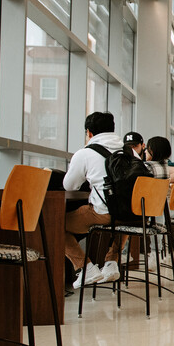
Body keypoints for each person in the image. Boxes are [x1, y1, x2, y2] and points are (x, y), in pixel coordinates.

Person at [62, 112, 122, 286]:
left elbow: (69, 186)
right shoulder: (130, 152)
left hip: (103, 214)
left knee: (55, 223)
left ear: (89, 133)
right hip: (134, 215)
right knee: (125, 216)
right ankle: (111, 262)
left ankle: (85, 268)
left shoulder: (85, 153)